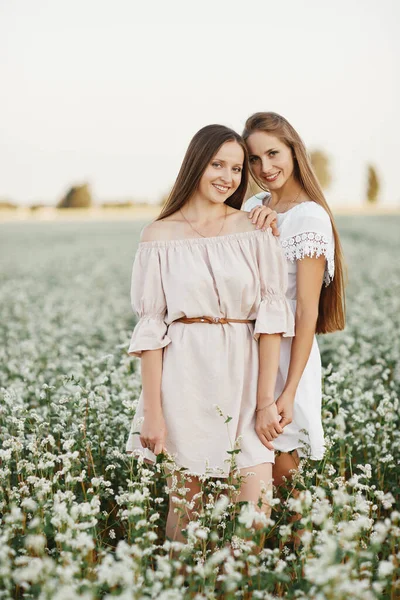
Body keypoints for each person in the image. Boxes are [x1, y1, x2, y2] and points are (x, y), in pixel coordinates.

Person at [126, 124, 294, 542]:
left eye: (237, 169)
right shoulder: (157, 236)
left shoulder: (256, 230)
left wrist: (264, 402)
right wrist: (153, 413)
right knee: (185, 516)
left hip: (244, 378)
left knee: (256, 512)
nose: (227, 176)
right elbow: (150, 332)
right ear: (196, 164)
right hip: (184, 381)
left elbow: (270, 322)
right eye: (218, 164)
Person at [242, 112, 346, 490]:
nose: (264, 167)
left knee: (284, 472)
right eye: (254, 158)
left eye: (273, 154)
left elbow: (306, 311)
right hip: (249, 348)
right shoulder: (253, 204)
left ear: (293, 150)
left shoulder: (309, 217)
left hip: (288, 356)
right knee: (250, 470)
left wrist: (288, 391)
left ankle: (303, 547)